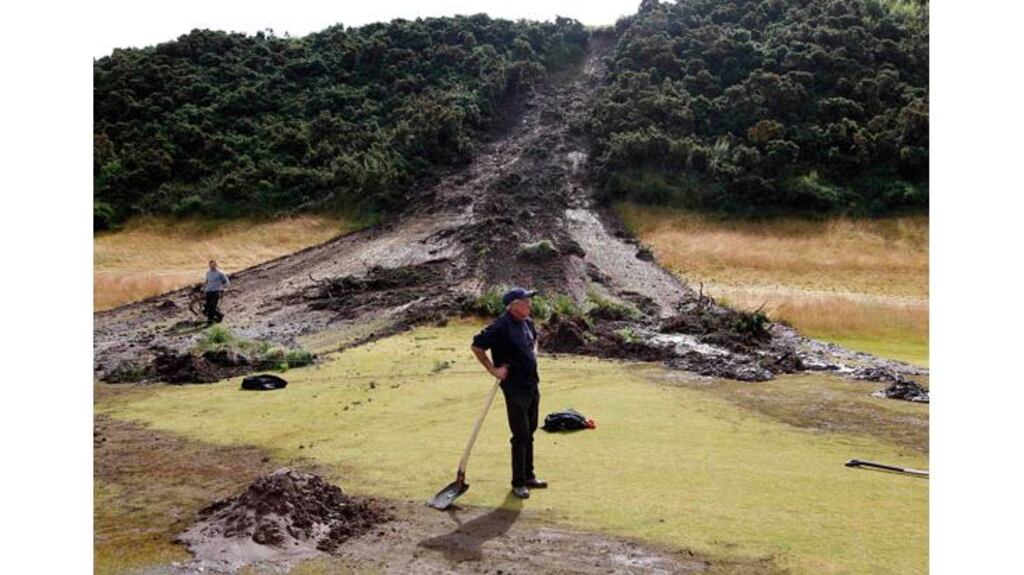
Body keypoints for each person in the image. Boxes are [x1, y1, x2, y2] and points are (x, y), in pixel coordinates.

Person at [471, 287, 548, 499]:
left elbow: (533, 343)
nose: (529, 304)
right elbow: (477, 346)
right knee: (520, 433)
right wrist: (493, 370)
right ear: (512, 305)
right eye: (525, 301)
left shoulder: (528, 323)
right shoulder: (501, 326)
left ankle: (529, 476)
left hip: (532, 384)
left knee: (530, 430)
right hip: (514, 388)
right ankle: (518, 482)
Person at [203, 260, 230, 325]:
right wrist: (203, 288)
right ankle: (220, 315)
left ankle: (210, 321)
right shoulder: (208, 273)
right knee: (207, 306)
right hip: (208, 291)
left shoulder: (220, 273)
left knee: (212, 306)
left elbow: (226, 281)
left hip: (216, 291)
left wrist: (225, 288)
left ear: (216, 265)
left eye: (213, 264)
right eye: (210, 265)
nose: (212, 266)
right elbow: (206, 282)